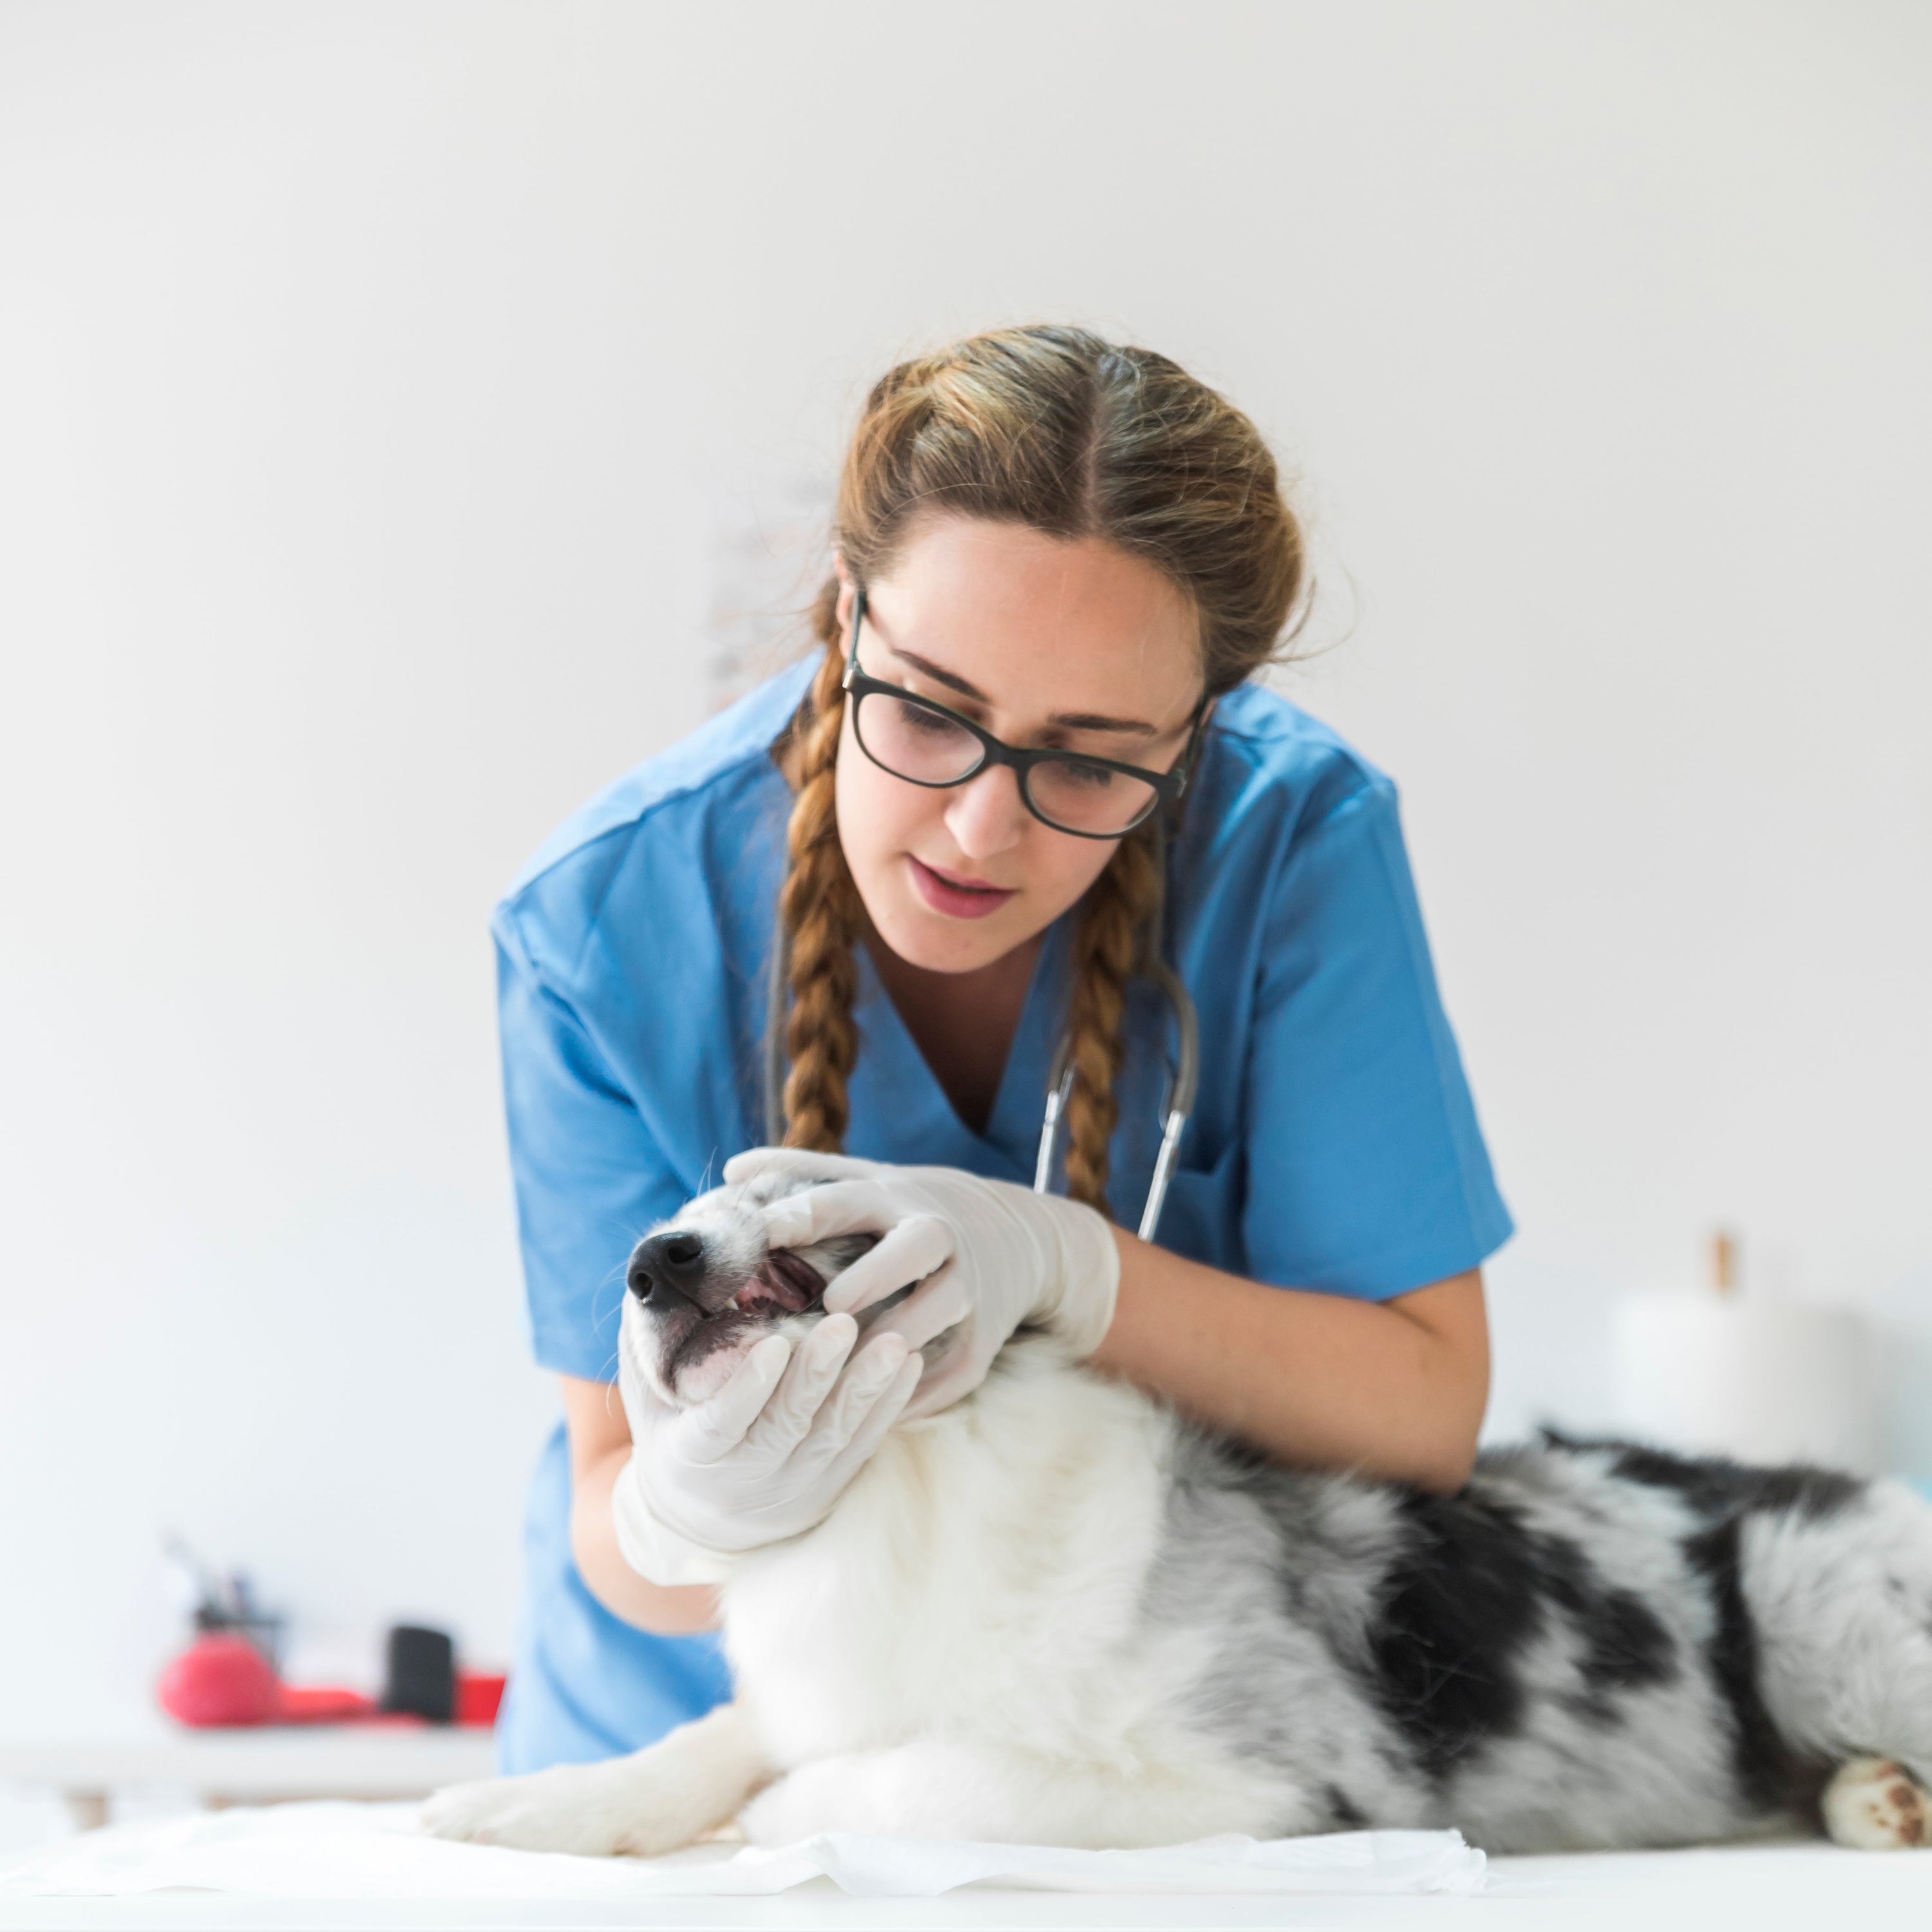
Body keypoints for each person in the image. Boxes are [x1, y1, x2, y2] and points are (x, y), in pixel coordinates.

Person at [489, 326, 1513, 1774]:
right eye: (927, 709)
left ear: (1196, 734)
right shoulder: (600, 923)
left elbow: (1420, 1417)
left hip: (1093, 1745)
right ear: (846, 616)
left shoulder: (1291, 846)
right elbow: (618, 1530)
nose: (983, 828)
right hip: (681, 1764)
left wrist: (1073, 1271)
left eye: (1091, 759)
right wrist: (686, 1512)